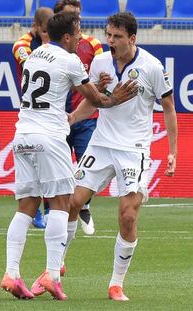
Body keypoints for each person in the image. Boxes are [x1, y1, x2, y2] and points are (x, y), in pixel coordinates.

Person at [0, 12, 137, 300]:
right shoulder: (71, 60)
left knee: (25, 207)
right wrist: (116, 97)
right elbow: (98, 101)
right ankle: (52, 275)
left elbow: (63, 87)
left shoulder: (35, 54)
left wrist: (94, 88)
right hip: (50, 136)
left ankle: (11, 273)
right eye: (77, 33)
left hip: (22, 135)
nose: (80, 38)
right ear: (66, 36)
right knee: (61, 204)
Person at [45, 12, 177, 301]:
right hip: (101, 144)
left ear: (132, 38)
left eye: (117, 36)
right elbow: (94, 103)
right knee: (71, 202)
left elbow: (168, 106)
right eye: (108, 35)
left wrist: (172, 151)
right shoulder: (100, 62)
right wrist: (70, 119)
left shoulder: (152, 67)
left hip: (134, 150)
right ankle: (56, 268)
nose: (111, 41)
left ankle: (116, 283)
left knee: (128, 216)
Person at [54, 0, 109, 236]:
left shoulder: (93, 44)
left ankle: (84, 206)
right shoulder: (52, 50)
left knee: (87, 166)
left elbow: (98, 76)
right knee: (61, 169)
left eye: (77, 15)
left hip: (85, 115)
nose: (77, 20)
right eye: (71, 16)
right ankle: (60, 212)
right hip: (57, 119)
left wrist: (100, 93)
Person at [12, 7, 53, 229]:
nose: (47, 36)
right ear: (35, 27)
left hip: (51, 113)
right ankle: (32, 209)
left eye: (50, 32)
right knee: (31, 165)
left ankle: (49, 209)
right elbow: (32, 66)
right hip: (30, 112)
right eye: (44, 31)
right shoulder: (22, 45)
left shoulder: (52, 42)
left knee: (50, 165)